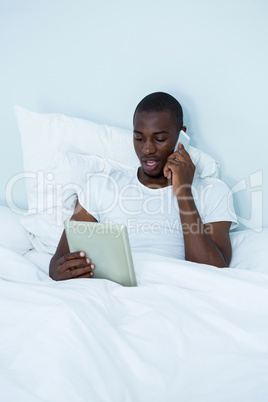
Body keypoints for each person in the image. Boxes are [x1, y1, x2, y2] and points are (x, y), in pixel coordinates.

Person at [49, 92, 237, 281]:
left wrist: (183, 192)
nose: (147, 149)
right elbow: (59, 261)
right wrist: (62, 270)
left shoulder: (213, 191)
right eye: (139, 138)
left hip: (173, 293)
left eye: (159, 139)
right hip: (112, 292)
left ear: (181, 136)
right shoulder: (101, 185)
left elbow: (213, 274)